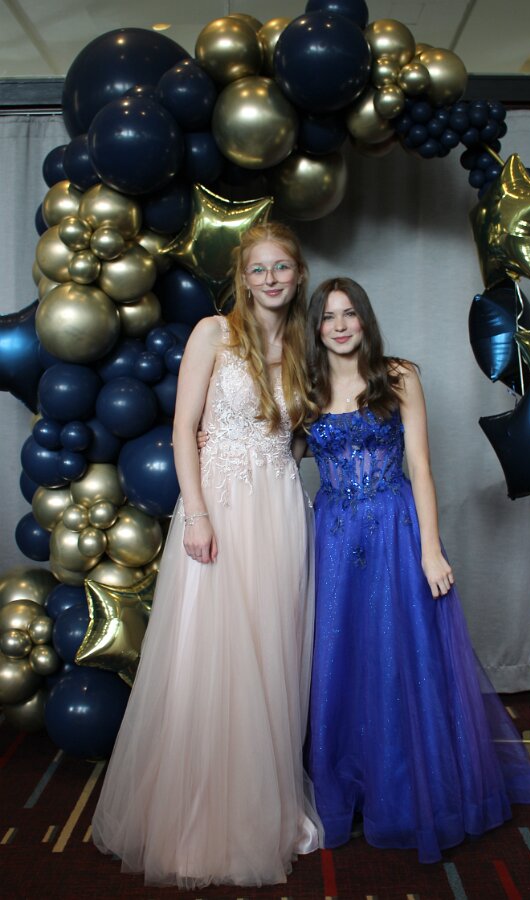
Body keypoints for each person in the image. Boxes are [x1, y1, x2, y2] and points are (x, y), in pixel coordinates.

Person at [92, 222, 322, 889]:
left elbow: (297, 439)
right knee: (212, 653)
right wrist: (194, 514)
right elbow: (182, 426)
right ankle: (198, 821)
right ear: (242, 278)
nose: (271, 280)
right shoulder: (213, 334)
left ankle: (264, 809)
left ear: (298, 275)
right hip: (219, 507)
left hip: (279, 509)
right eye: (259, 269)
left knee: (271, 651)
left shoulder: (302, 345)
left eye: (282, 268)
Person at [303, 276, 530, 864]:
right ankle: (350, 786)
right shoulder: (304, 387)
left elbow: (422, 468)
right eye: (328, 316)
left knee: (399, 655)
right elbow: (278, 454)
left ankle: (410, 791)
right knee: (341, 658)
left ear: (365, 319)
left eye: (350, 313)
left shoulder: (398, 376)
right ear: (315, 327)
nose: (340, 325)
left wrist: (431, 549)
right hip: (334, 539)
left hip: (395, 530)